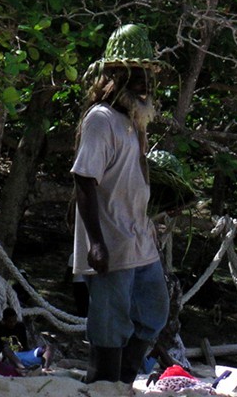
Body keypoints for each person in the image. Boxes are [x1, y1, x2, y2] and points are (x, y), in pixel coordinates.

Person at [71, 23, 170, 384]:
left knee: (154, 312)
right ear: (116, 74)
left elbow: (131, 180)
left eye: (147, 72)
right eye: (136, 72)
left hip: (139, 237)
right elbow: (84, 179)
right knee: (110, 322)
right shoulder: (101, 119)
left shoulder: (132, 121)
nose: (144, 81)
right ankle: (103, 384)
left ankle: (122, 381)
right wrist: (95, 242)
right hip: (111, 238)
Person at [0, 308, 54, 372]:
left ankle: (45, 368)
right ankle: (23, 370)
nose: (13, 324)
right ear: (4, 321)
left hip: (23, 355)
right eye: (10, 322)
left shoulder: (20, 326)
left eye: (14, 321)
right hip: (8, 359)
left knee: (48, 347)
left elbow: (25, 345)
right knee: (6, 348)